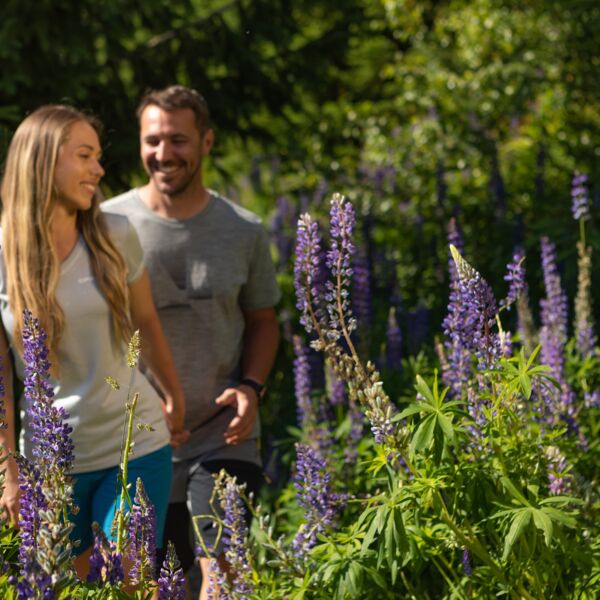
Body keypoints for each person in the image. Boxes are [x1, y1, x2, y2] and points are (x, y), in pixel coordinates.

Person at [102, 85, 280, 598]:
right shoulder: (108, 225)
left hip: (221, 435)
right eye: (152, 140)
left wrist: (252, 385)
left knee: (222, 573)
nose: (163, 153)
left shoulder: (243, 229)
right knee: (149, 584)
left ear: (207, 141)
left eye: (177, 140)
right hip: (134, 438)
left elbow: (264, 320)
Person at [0, 104, 186, 579]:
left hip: (132, 446)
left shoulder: (114, 235)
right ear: (43, 162)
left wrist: (173, 394)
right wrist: (9, 470)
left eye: (98, 156)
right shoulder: (4, 253)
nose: (99, 169)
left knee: (129, 576)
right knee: (71, 586)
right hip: (51, 463)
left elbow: (144, 319)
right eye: (85, 155)